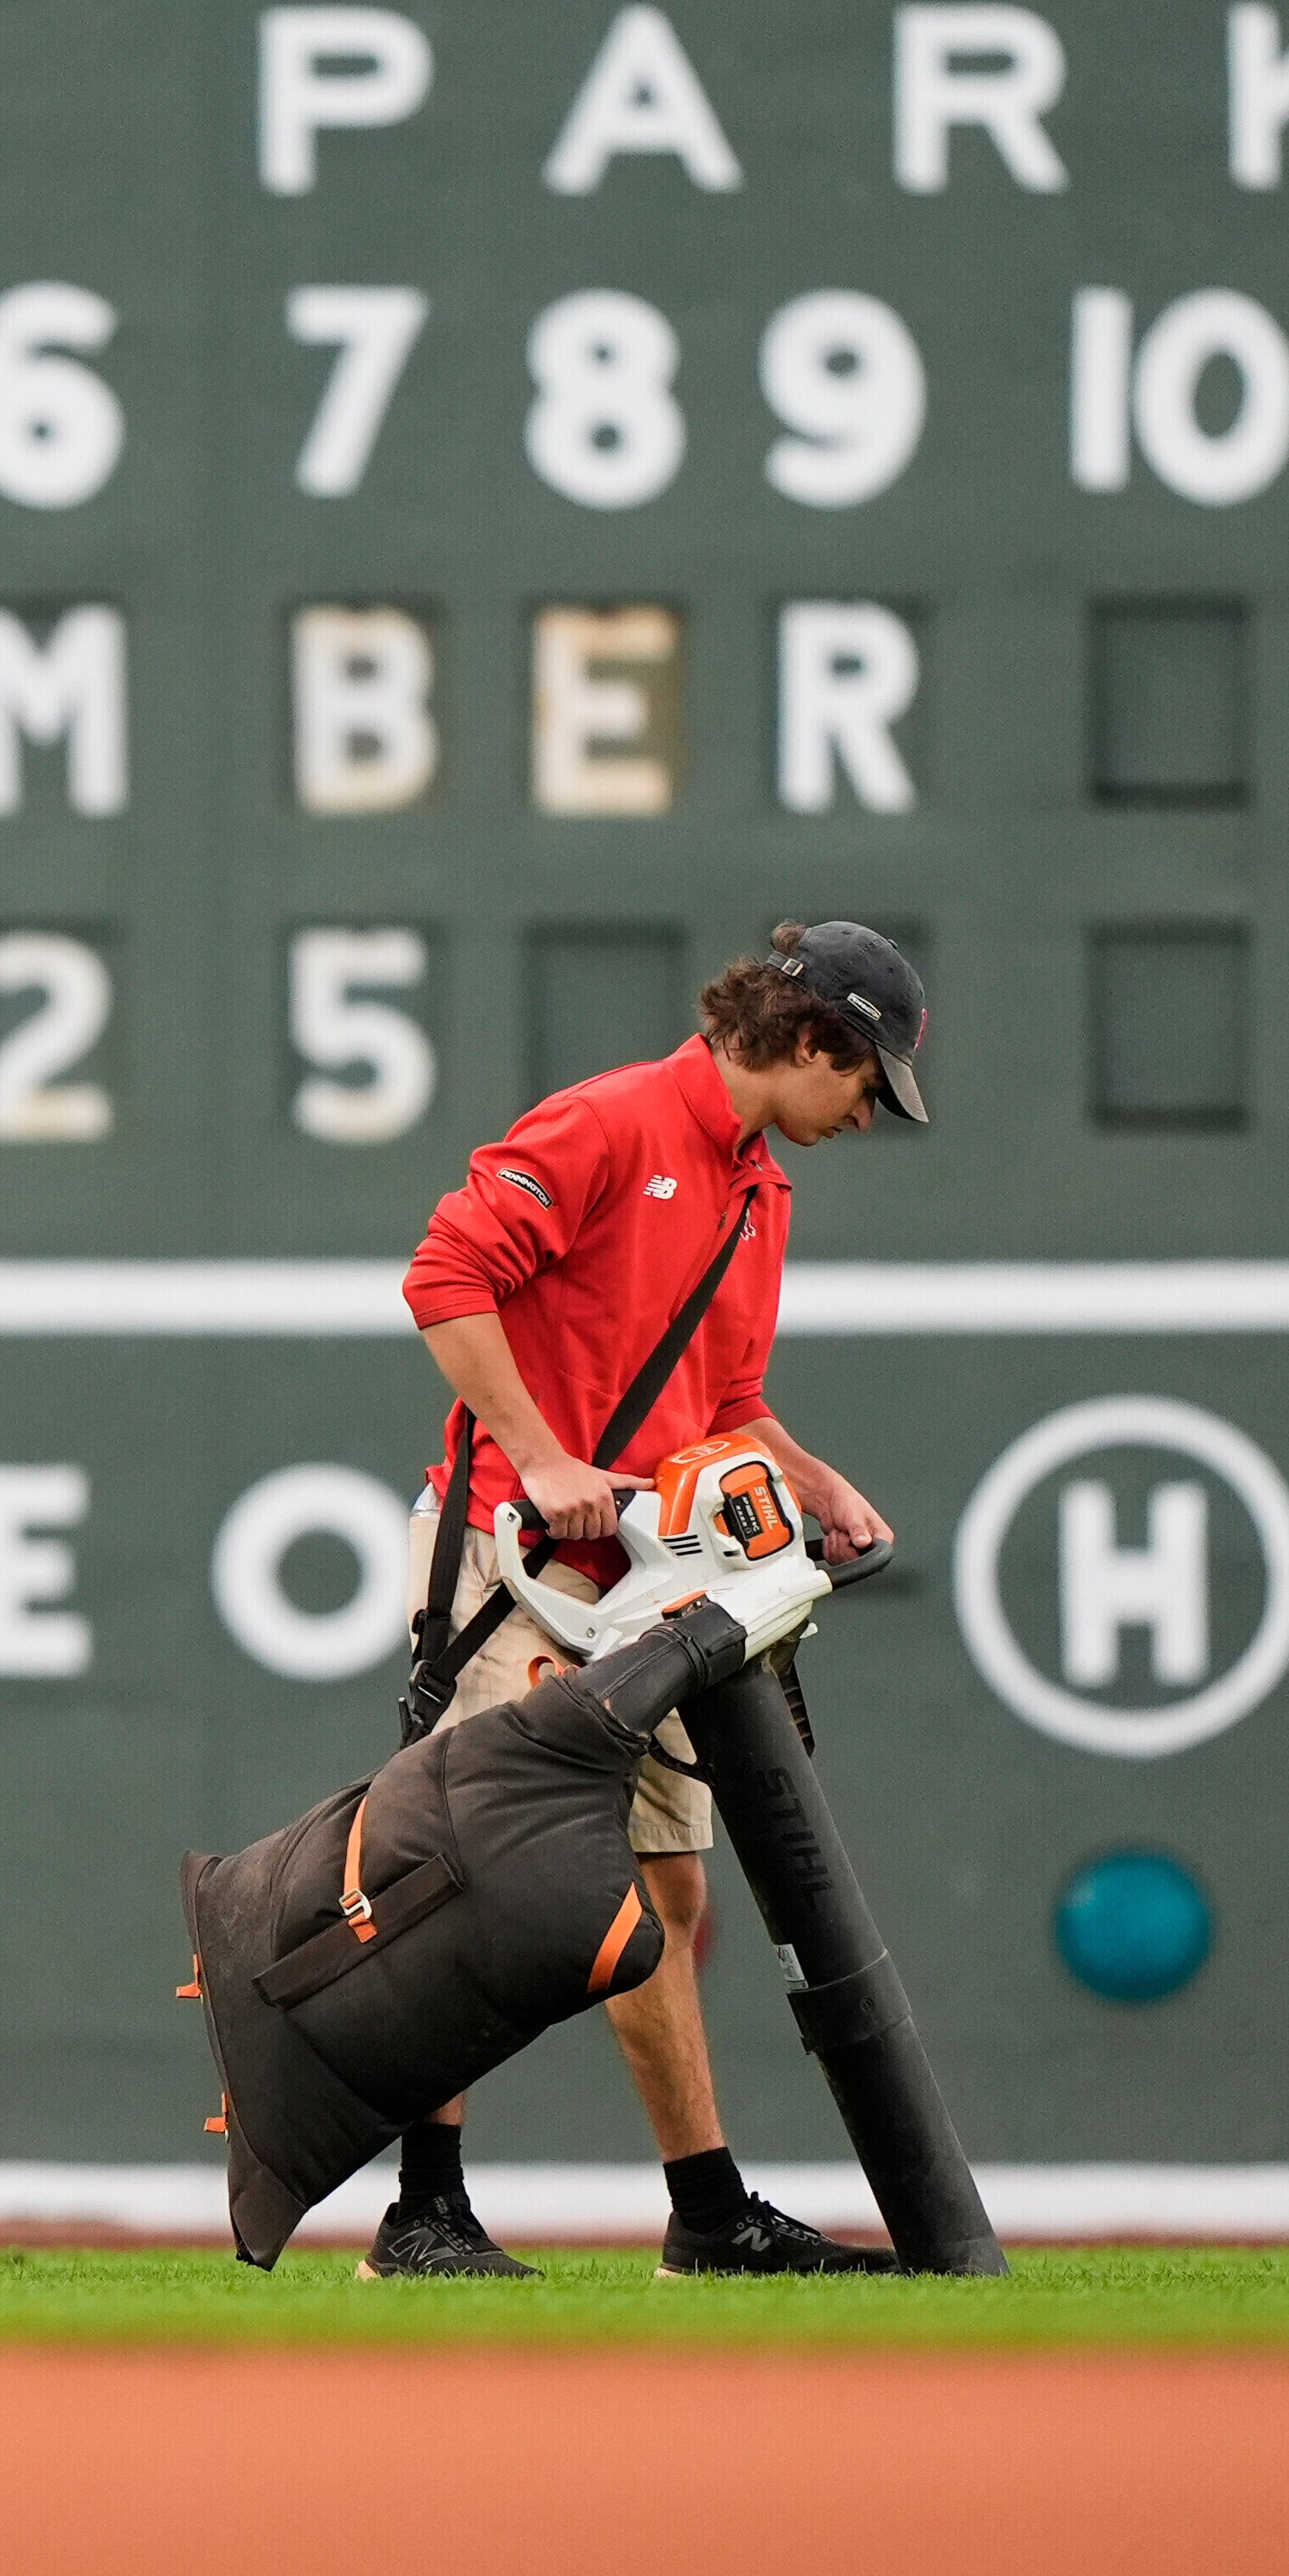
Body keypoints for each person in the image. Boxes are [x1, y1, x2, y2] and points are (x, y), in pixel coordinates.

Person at [361, 919, 930, 2280]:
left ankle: (707, 2210)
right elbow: (443, 1278)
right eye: (867, 1083)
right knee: (473, 1882)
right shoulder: (609, 1121)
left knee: (668, 1894)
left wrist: (812, 1472)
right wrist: (545, 1456)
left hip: (659, 1586)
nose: (866, 1114)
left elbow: (721, 1401)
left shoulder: (759, 1192)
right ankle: (420, 2211)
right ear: (812, 1043)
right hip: (518, 1566)